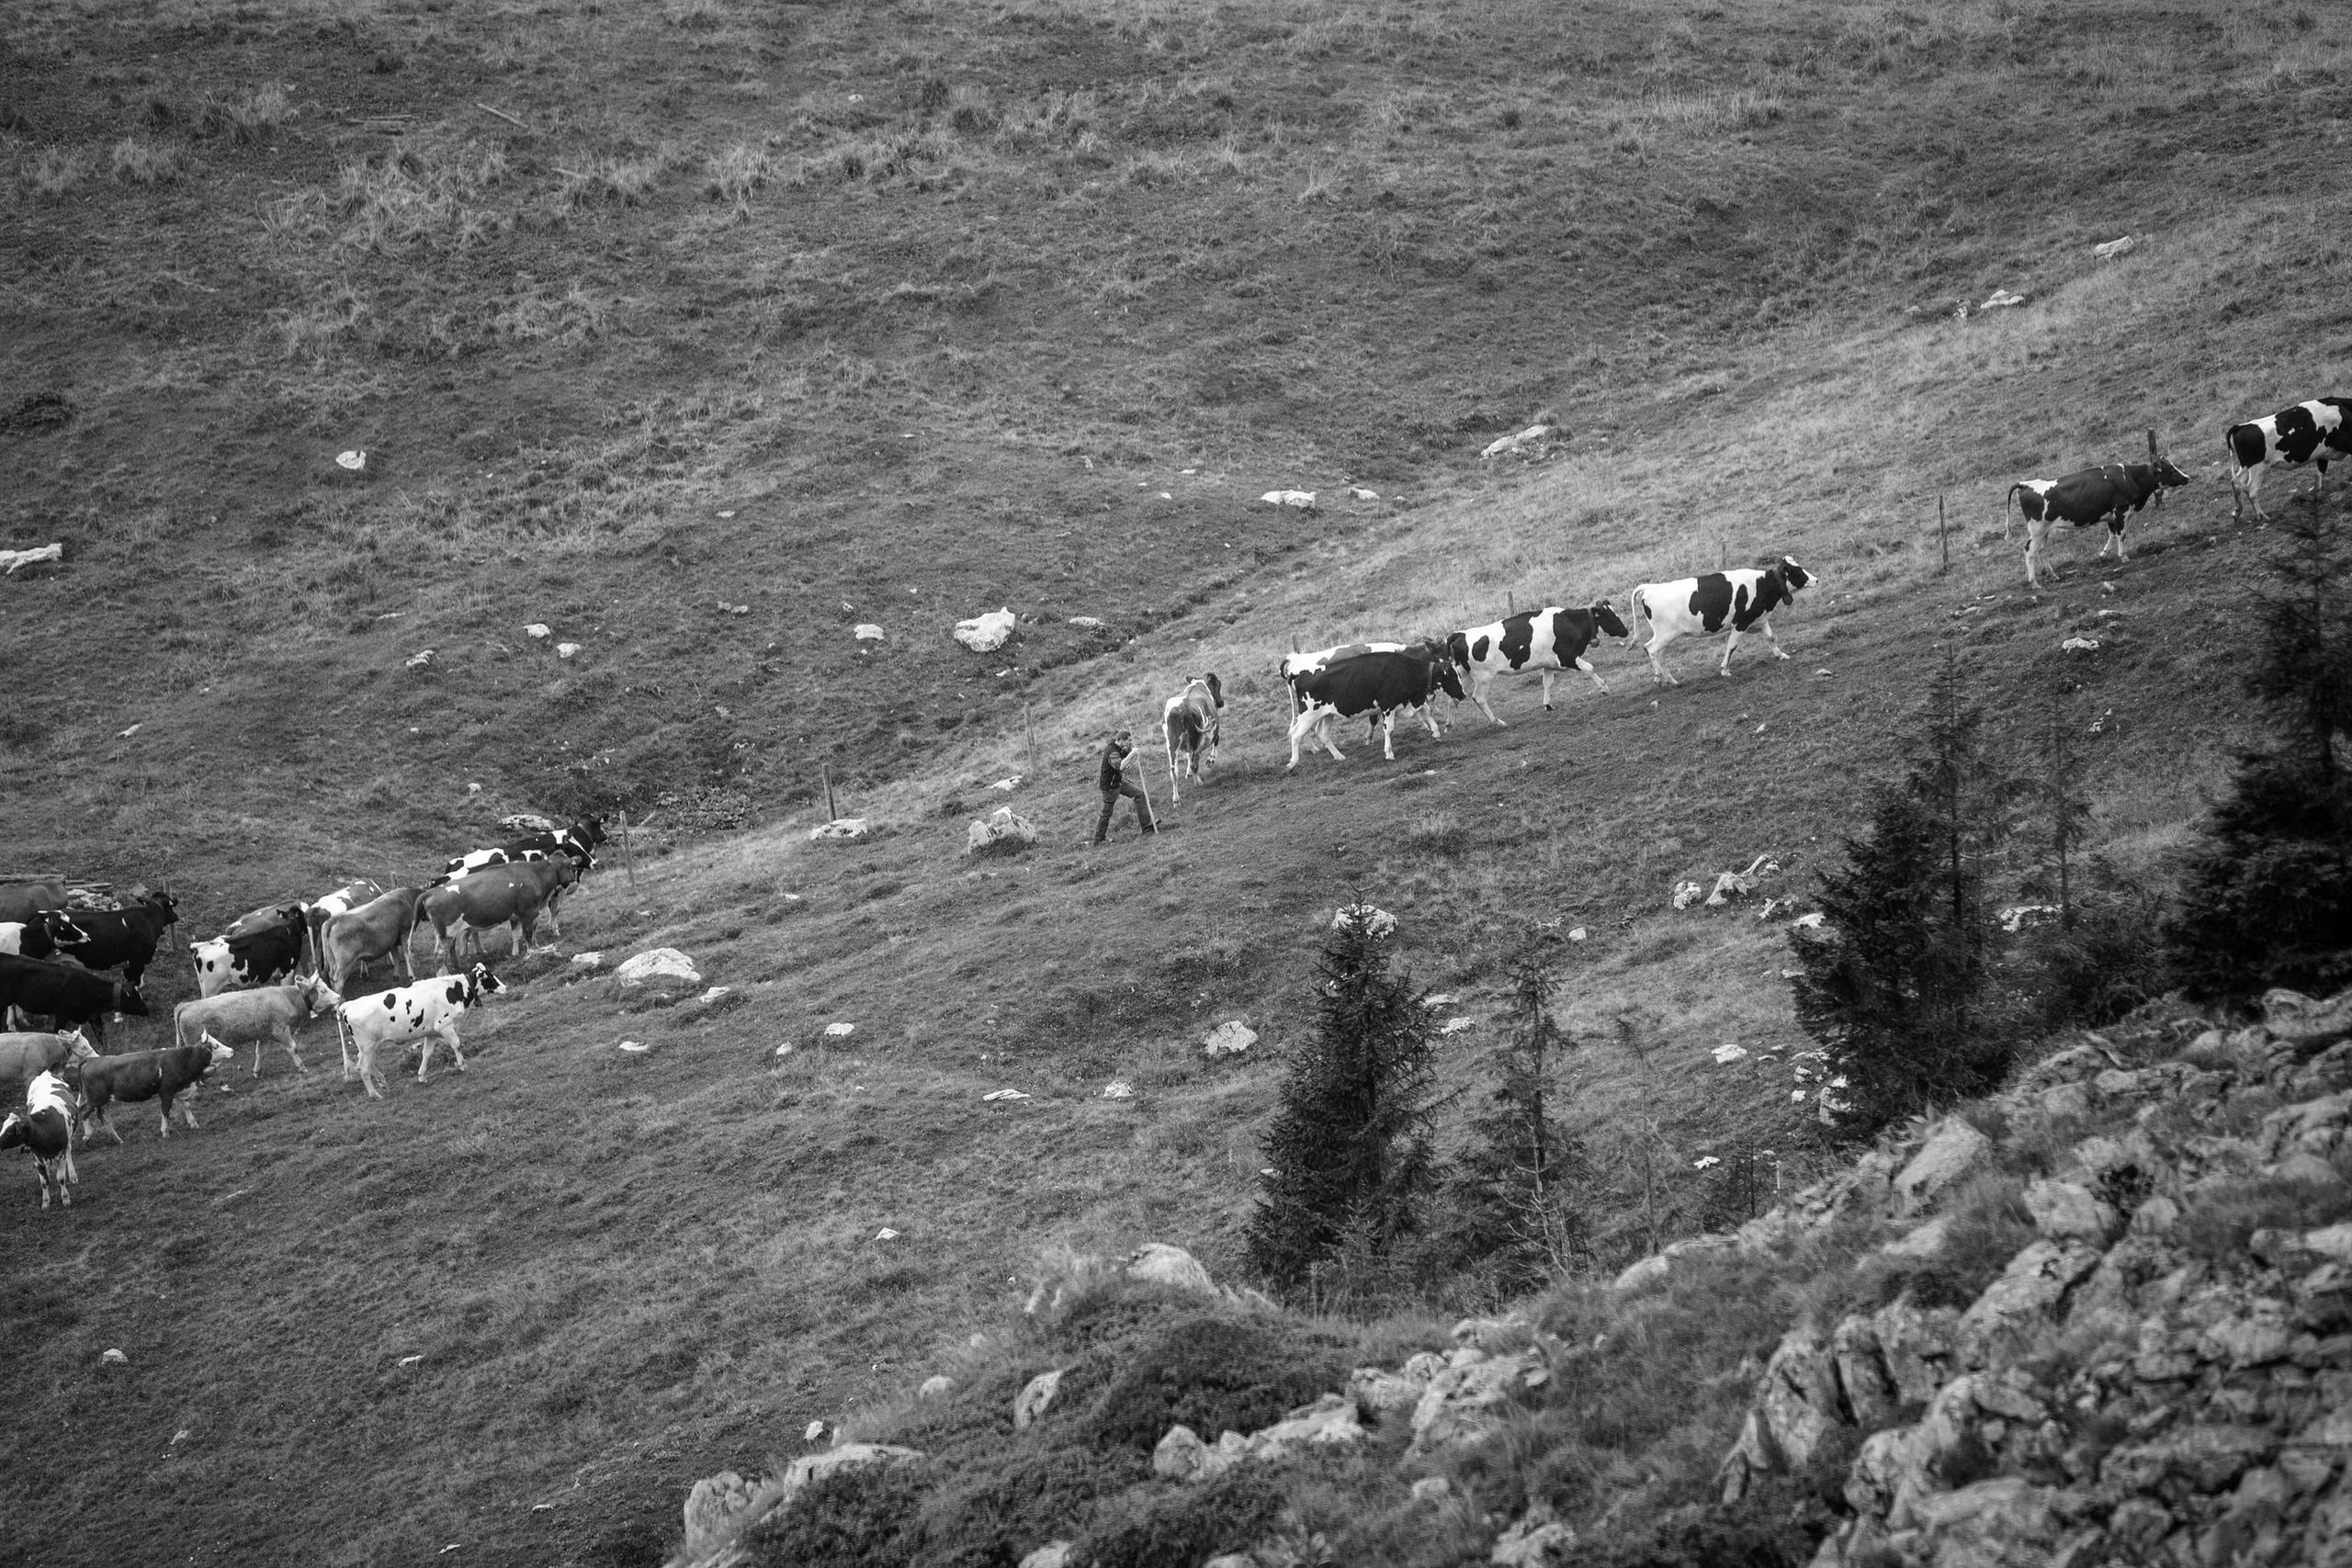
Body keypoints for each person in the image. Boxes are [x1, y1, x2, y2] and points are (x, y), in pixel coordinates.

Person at [1092, 728, 1159, 844]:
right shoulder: (1112, 751)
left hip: (1118, 782)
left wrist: (1132, 749)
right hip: (1110, 787)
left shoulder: (1118, 746)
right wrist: (1132, 754)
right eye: (1128, 741)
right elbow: (1120, 766)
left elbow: (1123, 753)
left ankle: (1146, 827)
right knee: (1106, 813)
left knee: (1139, 794)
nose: (1129, 742)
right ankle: (1099, 840)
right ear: (1121, 740)